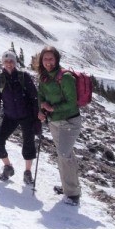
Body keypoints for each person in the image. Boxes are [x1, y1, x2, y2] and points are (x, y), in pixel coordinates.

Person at [36, 45, 82, 206]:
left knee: (64, 154)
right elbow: (40, 95)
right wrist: (41, 110)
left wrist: (52, 108)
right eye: (45, 59)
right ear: (41, 61)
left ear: (56, 59)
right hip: (54, 121)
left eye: (51, 58)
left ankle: (73, 194)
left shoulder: (66, 77)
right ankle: (69, 186)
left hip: (70, 121)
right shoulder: (43, 77)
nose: (48, 62)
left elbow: (72, 103)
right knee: (65, 154)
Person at [0, 50, 40, 184]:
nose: (9, 64)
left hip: (26, 115)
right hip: (10, 117)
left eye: (11, 61)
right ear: (3, 63)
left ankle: (28, 172)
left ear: (15, 62)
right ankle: (8, 166)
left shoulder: (24, 77)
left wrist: (37, 120)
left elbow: (35, 98)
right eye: (6, 61)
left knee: (28, 143)